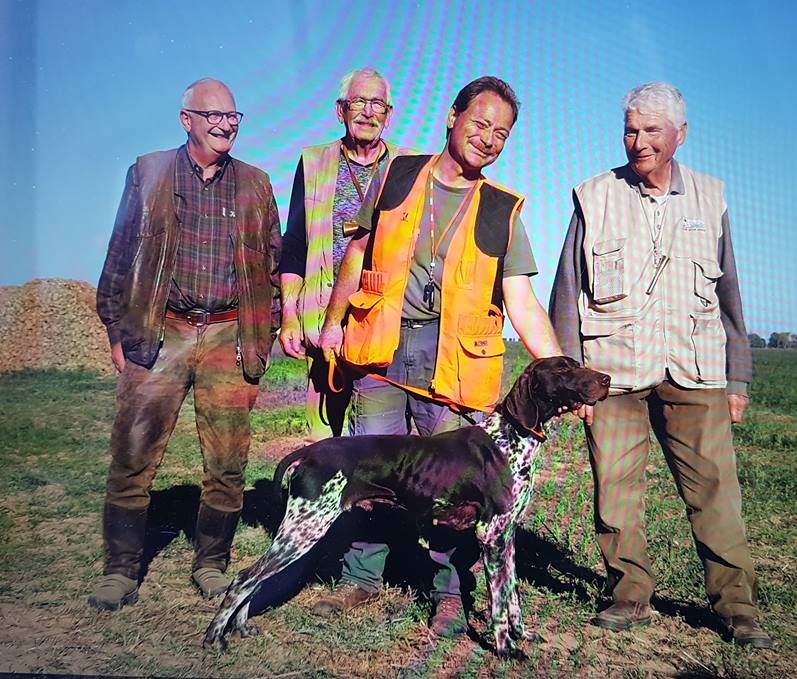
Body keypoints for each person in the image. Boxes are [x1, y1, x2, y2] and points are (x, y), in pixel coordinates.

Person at [315, 75, 562, 635]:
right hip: (381, 342)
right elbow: (356, 257)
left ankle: (449, 591)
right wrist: (333, 327)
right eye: (479, 124)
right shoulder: (397, 174)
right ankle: (362, 578)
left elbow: (521, 300)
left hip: (453, 358)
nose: (488, 139)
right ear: (451, 117)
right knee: (371, 468)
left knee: (453, 482)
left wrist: (559, 372)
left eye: (501, 133)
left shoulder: (503, 210)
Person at [549, 82, 773, 648]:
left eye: (651, 130)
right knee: (615, 492)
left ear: (681, 134)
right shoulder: (593, 196)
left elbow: (731, 299)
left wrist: (737, 378)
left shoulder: (711, 197)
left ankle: (736, 608)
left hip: (695, 371)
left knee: (715, 493)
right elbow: (566, 294)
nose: (638, 140)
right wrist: (571, 380)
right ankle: (629, 594)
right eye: (630, 129)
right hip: (613, 375)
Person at [90, 78, 281, 610]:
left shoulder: (256, 184)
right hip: (161, 329)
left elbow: (272, 265)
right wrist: (116, 330)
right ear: (187, 119)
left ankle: (212, 564)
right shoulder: (148, 172)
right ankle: (121, 570)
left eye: (233, 117)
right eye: (213, 115)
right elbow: (120, 253)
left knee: (228, 461)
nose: (225, 125)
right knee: (133, 454)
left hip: (228, 331)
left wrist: (264, 335)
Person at [278, 68, 412, 441]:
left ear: (389, 114)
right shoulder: (313, 163)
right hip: (326, 322)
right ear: (341, 111)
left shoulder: (409, 166)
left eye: (378, 105)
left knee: (378, 440)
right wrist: (289, 315)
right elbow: (295, 245)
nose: (368, 113)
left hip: (386, 326)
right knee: (325, 441)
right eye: (359, 103)